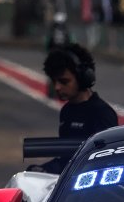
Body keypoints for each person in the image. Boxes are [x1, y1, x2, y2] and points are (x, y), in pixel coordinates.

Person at [32, 44, 119, 174]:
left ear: (83, 78)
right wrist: (42, 170)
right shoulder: (67, 111)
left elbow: (106, 162)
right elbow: (66, 160)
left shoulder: (102, 113)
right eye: (54, 81)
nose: (57, 87)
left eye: (64, 81)